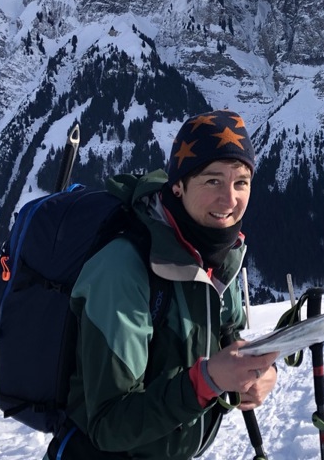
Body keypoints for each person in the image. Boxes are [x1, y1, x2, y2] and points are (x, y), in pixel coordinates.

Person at [47, 109, 280, 459]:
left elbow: (228, 337)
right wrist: (209, 380)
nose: (230, 200)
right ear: (178, 185)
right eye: (212, 180)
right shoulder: (123, 269)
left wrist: (256, 374)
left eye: (241, 182)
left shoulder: (219, 253)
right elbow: (109, 424)